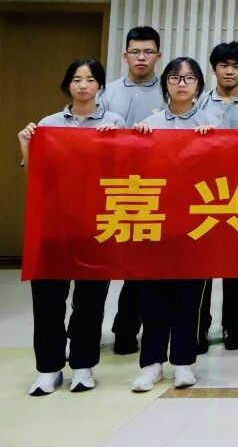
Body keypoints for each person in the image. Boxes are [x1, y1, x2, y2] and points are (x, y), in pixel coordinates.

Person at [19, 59, 124, 395]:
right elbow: (36, 176)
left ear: (100, 86)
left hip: (96, 224)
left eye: (90, 80)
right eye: (76, 79)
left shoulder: (114, 122)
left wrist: (113, 143)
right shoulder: (48, 125)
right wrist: (26, 145)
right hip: (54, 223)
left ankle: (83, 364)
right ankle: (48, 368)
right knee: (48, 299)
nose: (83, 85)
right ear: (67, 85)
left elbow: (124, 174)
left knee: (90, 300)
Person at [131, 57, 220, 392]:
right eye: (175, 78)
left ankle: (183, 361)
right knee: (152, 296)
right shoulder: (150, 123)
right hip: (156, 220)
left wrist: (212, 142)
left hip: (196, 222)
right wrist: (138, 139)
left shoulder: (211, 121)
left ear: (198, 84)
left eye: (189, 78)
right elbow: (135, 169)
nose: (182, 84)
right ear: (165, 83)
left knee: (189, 296)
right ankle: (151, 363)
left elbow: (225, 167)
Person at [101, 25, 164, 355]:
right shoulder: (106, 92)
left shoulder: (168, 92)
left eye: (148, 51)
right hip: (108, 189)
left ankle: (126, 328)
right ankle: (83, 331)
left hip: (150, 191)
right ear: (125, 55)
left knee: (140, 268)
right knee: (98, 265)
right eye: (136, 51)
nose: (142, 57)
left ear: (158, 56)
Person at [195, 41, 238, 353]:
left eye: (236, 66)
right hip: (204, 194)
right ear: (214, 68)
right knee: (203, 264)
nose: (229, 71)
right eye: (223, 65)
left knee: (236, 265)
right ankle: (200, 326)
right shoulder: (197, 106)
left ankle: (233, 325)